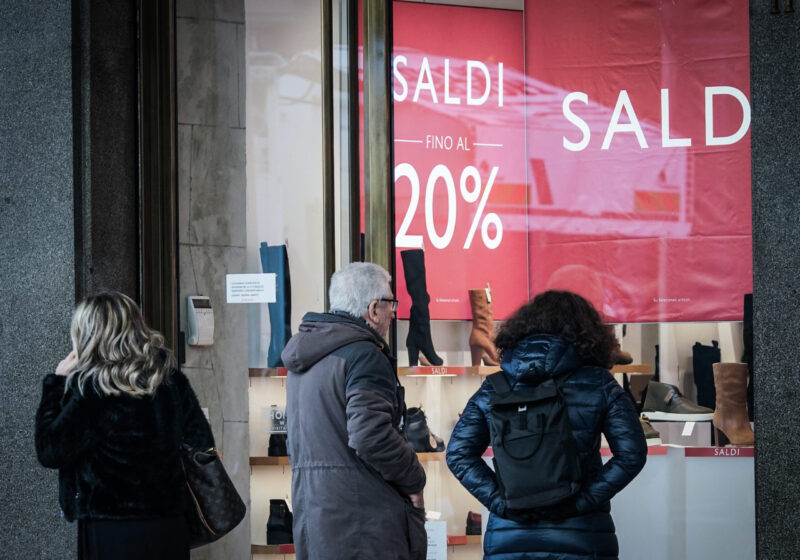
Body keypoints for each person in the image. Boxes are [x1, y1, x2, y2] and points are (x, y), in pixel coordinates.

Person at [446, 290, 647, 560]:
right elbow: (632, 454)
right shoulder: (599, 384)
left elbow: (458, 453)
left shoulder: (495, 387)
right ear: (588, 333)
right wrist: (583, 501)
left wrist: (501, 502)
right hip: (582, 536)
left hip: (510, 538)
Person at [35, 292, 214, 560]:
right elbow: (202, 441)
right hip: (170, 525)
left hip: (112, 530)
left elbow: (50, 451)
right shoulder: (170, 380)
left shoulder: (95, 390)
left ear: (88, 335)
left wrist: (56, 383)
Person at [282, 262, 426, 560]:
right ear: (373, 309)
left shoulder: (306, 359)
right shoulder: (364, 355)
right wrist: (414, 478)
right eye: (391, 303)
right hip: (365, 525)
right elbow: (370, 435)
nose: (393, 312)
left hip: (316, 518)